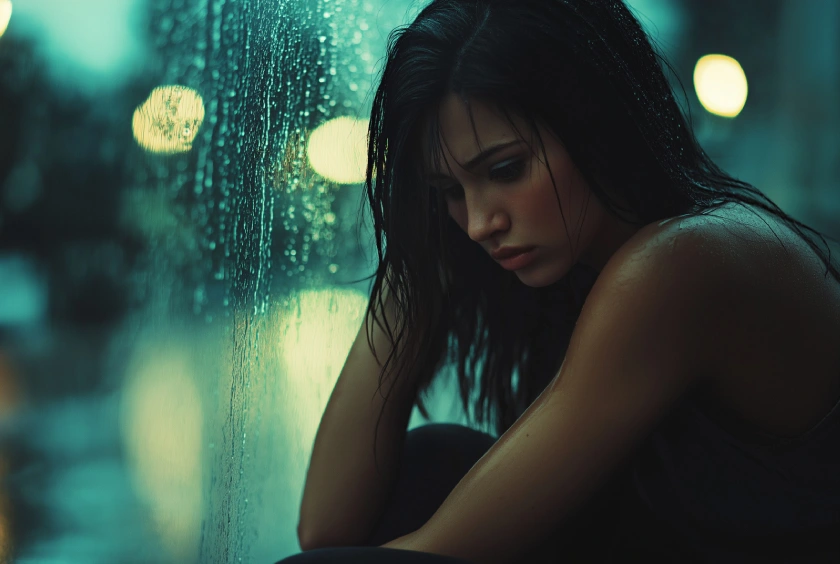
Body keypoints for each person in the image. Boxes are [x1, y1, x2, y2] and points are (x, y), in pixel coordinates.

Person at [282, 0, 840, 562]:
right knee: (430, 466)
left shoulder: (681, 263)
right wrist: (418, 263)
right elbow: (328, 526)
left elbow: (436, 552)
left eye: (505, 170)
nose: (478, 224)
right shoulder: (578, 269)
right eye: (448, 191)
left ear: (596, 125)